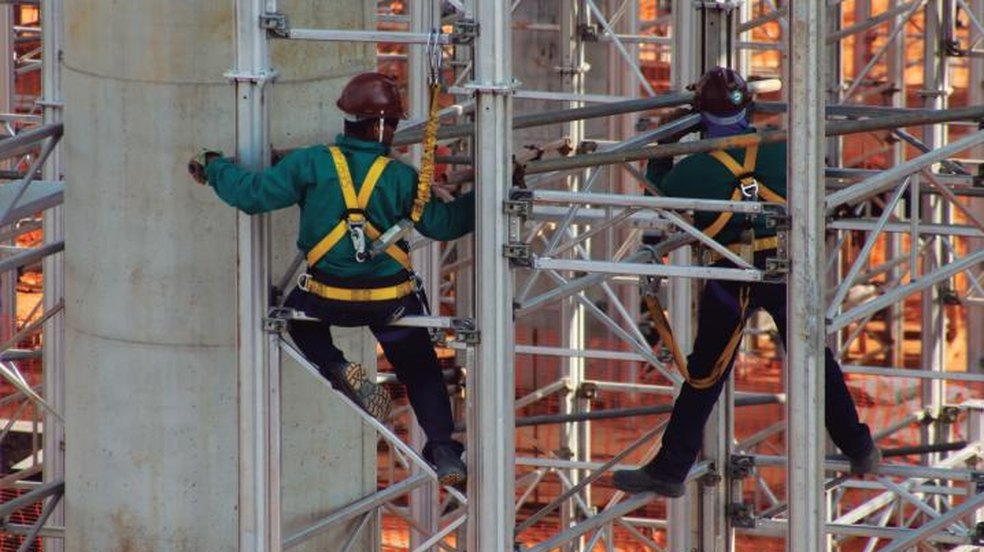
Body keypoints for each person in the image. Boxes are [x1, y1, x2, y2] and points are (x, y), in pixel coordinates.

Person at [188, 72, 473, 486]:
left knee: (295, 318)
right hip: (390, 299)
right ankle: (444, 448)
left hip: (326, 297)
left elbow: (251, 195)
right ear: (384, 126)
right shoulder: (400, 177)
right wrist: (484, 198)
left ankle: (336, 364)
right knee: (420, 368)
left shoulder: (311, 163)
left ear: (348, 120)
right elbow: (443, 224)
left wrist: (216, 168)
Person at [613, 67, 879, 497]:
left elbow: (659, 201)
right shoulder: (783, 151)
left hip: (731, 277)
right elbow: (819, 177)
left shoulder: (695, 171)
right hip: (785, 268)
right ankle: (859, 445)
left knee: (706, 374)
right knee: (815, 361)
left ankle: (672, 467)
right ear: (750, 108)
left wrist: (663, 148)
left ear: (700, 116)